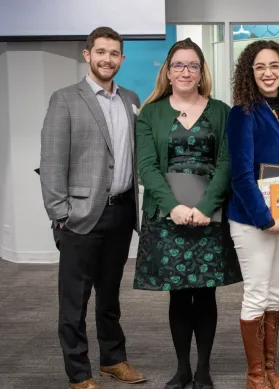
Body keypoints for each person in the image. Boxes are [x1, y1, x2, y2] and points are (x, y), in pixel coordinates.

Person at [40, 26, 146, 389]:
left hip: (121, 213)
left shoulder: (131, 98)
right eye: (101, 52)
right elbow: (52, 162)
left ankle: (113, 359)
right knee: (74, 300)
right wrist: (61, 215)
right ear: (87, 55)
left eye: (114, 53)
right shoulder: (65, 99)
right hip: (81, 217)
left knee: (110, 294)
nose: (107, 59)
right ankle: (78, 373)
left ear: (122, 59)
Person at [133, 38, 242, 389]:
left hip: (210, 214)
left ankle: (205, 370)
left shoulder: (222, 111)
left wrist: (206, 207)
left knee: (206, 293)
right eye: (178, 65)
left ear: (201, 72)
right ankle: (182, 369)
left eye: (192, 65)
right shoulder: (151, 113)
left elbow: (226, 163)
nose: (185, 71)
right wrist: (174, 207)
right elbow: (147, 167)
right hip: (167, 218)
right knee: (178, 294)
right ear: (168, 71)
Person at [225, 40, 279, 389]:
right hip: (253, 219)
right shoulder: (242, 112)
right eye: (260, 67)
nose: (269, 73)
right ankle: (255, 376)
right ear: (249, 73)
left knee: (275, 295)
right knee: (256, 294)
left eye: (275, 66)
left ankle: (271, 369)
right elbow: (240, 173)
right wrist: (264, 217)